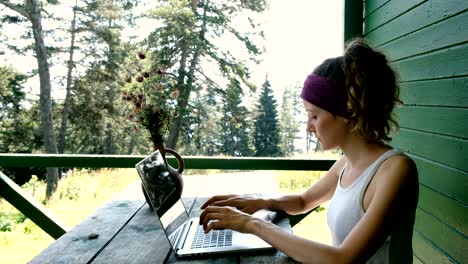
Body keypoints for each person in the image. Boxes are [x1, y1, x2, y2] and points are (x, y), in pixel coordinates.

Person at [199, 38, 419, 264]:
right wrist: (260, 202)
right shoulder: (345, 163)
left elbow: (342, 260)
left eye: (314, 115)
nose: (308, 127)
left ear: (347, 112)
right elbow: (304, 202)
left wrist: (251, 224)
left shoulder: (395, 170)